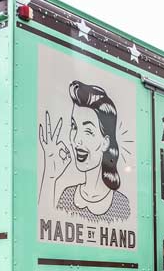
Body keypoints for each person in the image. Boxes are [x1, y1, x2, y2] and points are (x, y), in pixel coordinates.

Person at [38, 81, 131, 223]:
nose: (76, 140)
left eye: (88, 131)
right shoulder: (67, 196)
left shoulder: (122, 205)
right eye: (74, 126)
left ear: (105, 142)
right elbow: (45, 227)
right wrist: (50, 176)